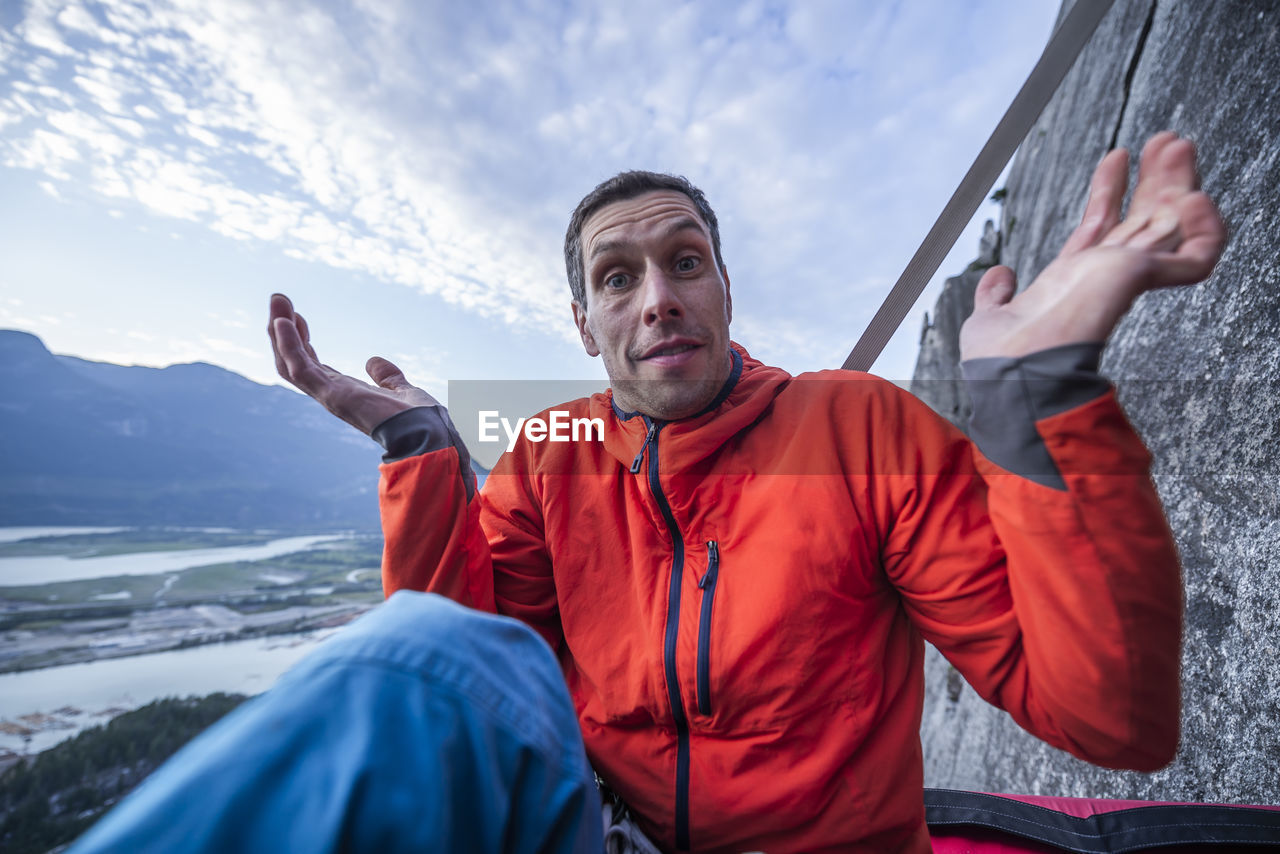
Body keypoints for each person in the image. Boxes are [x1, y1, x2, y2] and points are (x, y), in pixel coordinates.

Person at [72, 132, 1225, 854]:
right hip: (600, 831)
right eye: (616, 278)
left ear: (724, 286)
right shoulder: (548, 452)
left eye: (683, 262)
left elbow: (1108, 720)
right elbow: (475, 660)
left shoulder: (855, 426)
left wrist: (1038, 403)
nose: (655, 298)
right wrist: (424, 452)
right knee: (405, 660)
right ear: (584, 323)